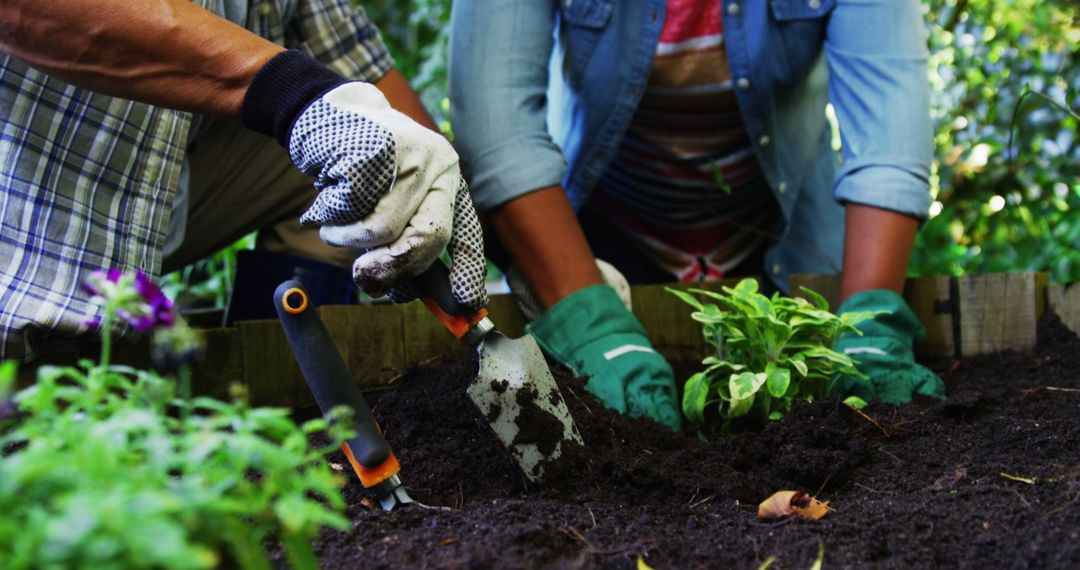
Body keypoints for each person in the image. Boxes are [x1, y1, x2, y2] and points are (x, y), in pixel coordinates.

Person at [449, 0, 947, 430]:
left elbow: (890, 133)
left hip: (784, 239)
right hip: (594, 252)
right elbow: (499, 132)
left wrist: (869, 325)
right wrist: (593, 327)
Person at [0, 0, 488, 361]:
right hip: (25, 216)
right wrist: (285, 90)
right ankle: (45, 359)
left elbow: (362, 74)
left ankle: (275, 396)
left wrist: (435, 175)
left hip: (159, 199)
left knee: (378, 163)